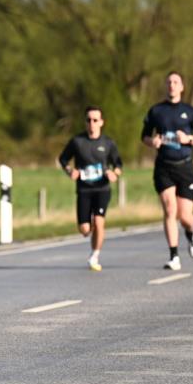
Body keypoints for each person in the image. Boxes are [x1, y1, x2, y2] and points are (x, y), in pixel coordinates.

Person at [141, 71, 193, 271]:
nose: (172, 85)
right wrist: (151, 141)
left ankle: (190, 234)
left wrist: (188, 139)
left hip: (185, 167)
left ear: (182, 87)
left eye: (176, 82)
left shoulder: (190, 111)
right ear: (166, 86)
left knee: (185, 216)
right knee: (170, 209)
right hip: (164, 167)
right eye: (169, 82)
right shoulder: (156, 111)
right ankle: (174, 256)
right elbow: (144, 136)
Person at [58, 106, 123, 271]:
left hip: (102, 189)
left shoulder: (108, 143)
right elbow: (63, 159)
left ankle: (95, 255)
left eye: (95, 120)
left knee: (99, 221)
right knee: (85, 229)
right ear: (85, 122)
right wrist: (70, 171)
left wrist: (114, 174)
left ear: (101, 122)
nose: (92, 123)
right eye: (88, 120)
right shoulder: (77, 142)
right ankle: (91, 231)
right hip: (84, 190)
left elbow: (118, 164)